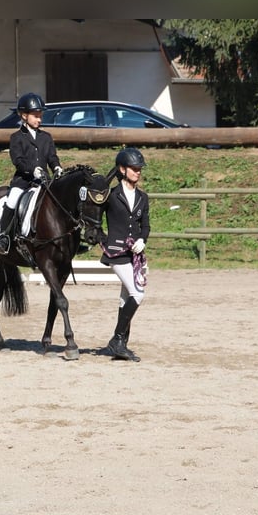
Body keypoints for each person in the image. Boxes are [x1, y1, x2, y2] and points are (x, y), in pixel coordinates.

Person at [0, 92, 63, 255]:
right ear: (24, 116)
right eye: (36, 116)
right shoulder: (16, 137)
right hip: (23, 181)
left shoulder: (46, 137)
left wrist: (57, 167)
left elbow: (52, 157)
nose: (39, 119)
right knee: (12, 201)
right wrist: (33, 170)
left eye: (40, 116)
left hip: (44, 181)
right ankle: (3, 237)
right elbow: (18, 160)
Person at [100, 147, 150, 362]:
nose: (138, 172)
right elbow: (92, 220)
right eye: (134, 168)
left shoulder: (142, 197)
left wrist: (142, 240)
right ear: (122, 169)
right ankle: (117, 339)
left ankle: (121, 345)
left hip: (134, 254)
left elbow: (145, 225)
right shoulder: (110, 196)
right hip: (116, 252)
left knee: (125, 298)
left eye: (139, 169)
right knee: (137, 293)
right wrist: (104, 240)